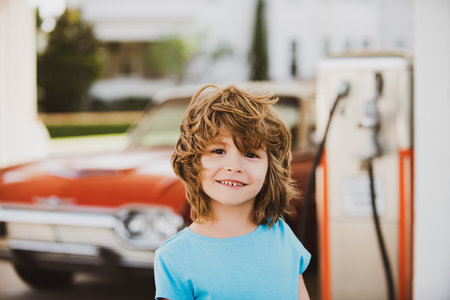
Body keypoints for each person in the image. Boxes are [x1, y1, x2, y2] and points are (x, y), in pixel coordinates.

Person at [154, 84, 311, 300]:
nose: (234, 166)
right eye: (218, 151)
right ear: (193, 163)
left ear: (270, 169)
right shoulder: (174, 256)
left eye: (250, 153)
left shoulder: (282, 235)